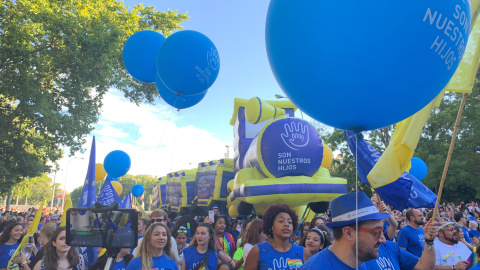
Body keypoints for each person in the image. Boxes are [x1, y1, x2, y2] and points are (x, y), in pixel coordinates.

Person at [302, 192, 437, 270]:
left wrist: (429, 241)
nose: (383, 239)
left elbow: (424, 266)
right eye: (376, 232)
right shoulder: (317, 267)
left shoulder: (359, 260)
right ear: (348, 233)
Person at [244, 204, 311, 270]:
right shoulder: (257, 251)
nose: (286, 224)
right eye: (281, 221)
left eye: (290, 222)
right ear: (272, 226)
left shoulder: (304, 252)